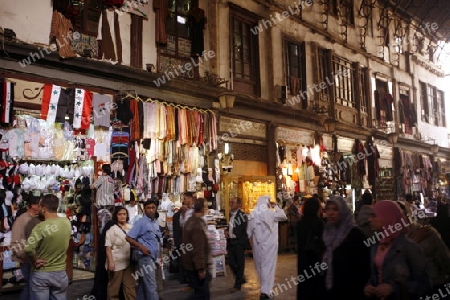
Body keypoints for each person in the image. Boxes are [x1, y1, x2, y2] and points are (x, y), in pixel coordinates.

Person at [364, 200, 430, 300]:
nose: (369, 219)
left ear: (387, 217)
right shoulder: (376, 245)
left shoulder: (408, 247)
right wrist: (370, 286)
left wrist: (393, 288)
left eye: (374, 215)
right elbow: (376, 274)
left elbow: (424, 284)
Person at [24, 194, 72, 300]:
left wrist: (34, 260)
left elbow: (28, 248)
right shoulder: (66, 222)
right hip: (60, 273)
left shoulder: (40, 227)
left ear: (44, 208)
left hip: (42, 273)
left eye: (40, 206)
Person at [322, 195, 370, 300]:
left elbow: (363, 268)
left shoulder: (355, 235)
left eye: (335, 209)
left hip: (351, 292)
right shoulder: (328, 233)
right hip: (332, 291)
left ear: (343, 211)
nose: (330, 213)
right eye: (328, 209)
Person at [247, 195, 287, 299]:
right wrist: (276, 206)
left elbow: (248, 233)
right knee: (269, 267)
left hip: (258, 246)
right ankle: (266, 290)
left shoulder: (253, 215)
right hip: (270, 246)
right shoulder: (271, 214)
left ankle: (264, 289)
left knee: (260, 267)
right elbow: (283, 216)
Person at [126, 199, 162, 300]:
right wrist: (141, 247)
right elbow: (128, 237)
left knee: (143, 285)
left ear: (156, 209)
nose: (151, 210)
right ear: (144, 209)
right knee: (152, 287)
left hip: (153, 257)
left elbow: (157, 240)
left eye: (153, 208)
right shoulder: (141, 222)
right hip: (145, 258)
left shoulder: (155, 222)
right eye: (148, 208)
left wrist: (159, 258)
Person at [10, 195, 41, 300]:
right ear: (33, 205)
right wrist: (22, 255)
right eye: (40, 204)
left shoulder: (38, 218)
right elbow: (15, 241)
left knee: (32, 286)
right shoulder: (21, 220)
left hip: (34, 258)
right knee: (31, 286)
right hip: (26, 259)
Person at [296, 196, 325, 300]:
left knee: (305, 286)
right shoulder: (319, 223)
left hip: (303, 259)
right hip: (316, 259)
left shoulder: (300, 223)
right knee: (316, 286)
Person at [182, 197, 211, 299]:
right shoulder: (197, 224)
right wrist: (201, 268)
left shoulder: (190, 221)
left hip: (191, 265)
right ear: (203, 208)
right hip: (196, 266)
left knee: (199, 293)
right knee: (202, 294)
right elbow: (198, 248)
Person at [105, 206, 136, 300]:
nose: (122, 216)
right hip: (116, 263)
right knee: (114, 289)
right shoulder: (112, 229)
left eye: (124, 214)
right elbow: (108, 247)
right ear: (116, 216)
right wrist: (110, 262)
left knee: (130, 288)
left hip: (129, 262)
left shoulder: (131, 228)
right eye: (120, 214)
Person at [227, 197, 250, 292]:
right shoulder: (231, 215)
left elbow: (243, 230)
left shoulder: (242, 215)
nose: (231, 204)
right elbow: (231, 227)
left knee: (240, 263)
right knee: (231, 262)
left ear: (239, 205)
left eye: (233, 202)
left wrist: (238, 239)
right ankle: (241, 278)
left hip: (238, 242)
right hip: (231, 242)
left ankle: (237, 285)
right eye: (231, 202)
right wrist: (227, 232)